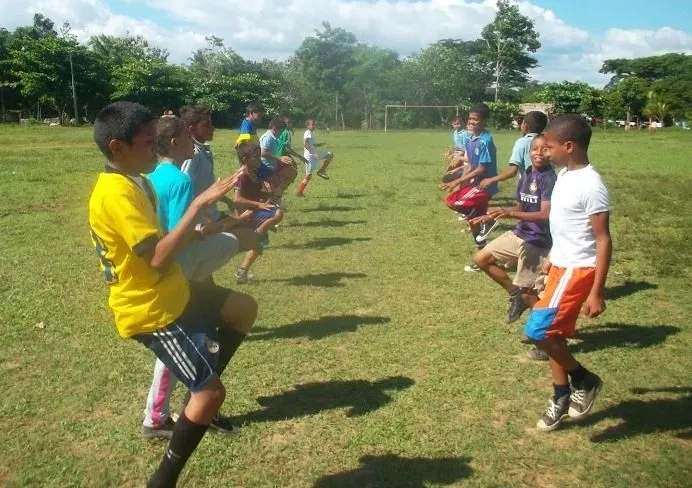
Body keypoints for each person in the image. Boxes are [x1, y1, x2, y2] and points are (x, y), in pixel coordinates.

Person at [88, 101, 257, 487]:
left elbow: (165, 241)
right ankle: (162, 481)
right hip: (150, 310)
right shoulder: (116, 193)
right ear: (118, 147)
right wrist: (200, 202)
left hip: (174, 291)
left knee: (243, 309)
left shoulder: (138, 181)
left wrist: (211, 229)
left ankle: (196, 398)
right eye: (148, 142)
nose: (156, 148)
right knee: (212, 394)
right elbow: (159, 260)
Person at [141, 116, 252, 440]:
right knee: (181, 344)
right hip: (180, 272)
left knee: (203, 335)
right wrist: (218, 229)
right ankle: (157, 416)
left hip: (170, 270)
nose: (195, 143)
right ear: (175, 142)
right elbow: (181, 234)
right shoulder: (179, 181)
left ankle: (195, 408)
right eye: (189, 137)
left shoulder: (152, 178)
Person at [523, 114, 611, 432]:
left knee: (538, 331)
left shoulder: (591, 185)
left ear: (569, 146)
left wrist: (597, 291)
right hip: (560, 264)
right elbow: (566, 227)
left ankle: (584, 380)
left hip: (578, 269)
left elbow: (603, 239)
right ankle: (561, 397)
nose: (545, 152)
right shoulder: (564, 174)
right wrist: (551, 256)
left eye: (550, 146)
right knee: (553, 336)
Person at [471, 135, 556, 325]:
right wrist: (491, 215)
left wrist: (509, 213)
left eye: (545, 149)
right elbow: (519, 207)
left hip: (537, 240)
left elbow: (544, 215)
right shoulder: (527, 173)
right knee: (481, 259)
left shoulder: (549, 178)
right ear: (529, 151)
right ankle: (515, 294)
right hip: (520, 232)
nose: (539, 153)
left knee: (530, 294)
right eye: (535, 149)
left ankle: (548, 336)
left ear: (552, 153)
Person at [440, 102, 499, 271]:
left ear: (484, 121)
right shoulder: (472, 139)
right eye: (471, 119)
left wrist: (457, 181)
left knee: (453, 201)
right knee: (474, 222)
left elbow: (482, 168)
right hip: (476, 183)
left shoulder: (484, 140)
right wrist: (459, 170)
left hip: (484, 186)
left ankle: (490, 221)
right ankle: (483, 260)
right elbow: (471, 164)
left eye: (476, 120)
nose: (472, 122)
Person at [233, 142, 283, 284]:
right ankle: (258, 232)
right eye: (255, 157)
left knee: (259, 246)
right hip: (246, 214)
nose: (259, 160)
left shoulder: (255, 173)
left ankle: (242, 273)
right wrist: (260, 204)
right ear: (245, 160)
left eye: (259, 156)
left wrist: (267, 195)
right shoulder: (242, 175)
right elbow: (237, 200)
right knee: (277, 214)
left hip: (255, 211)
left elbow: (254, 193)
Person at [258, 117, 298, 201]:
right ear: (275, 128)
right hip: (266, 168)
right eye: (281, 131)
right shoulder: (268, 137)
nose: (281, 134)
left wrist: (282, 160)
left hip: (272, 165)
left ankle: (276, 195)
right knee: (276, 184)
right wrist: (279, 158)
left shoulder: (273, 137)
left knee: (292, 171)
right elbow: (263, 153)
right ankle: (274, 198)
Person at [296, 119, 334, 196]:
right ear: (307, 126)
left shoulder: (311, 133)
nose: (314, 126)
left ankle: (321, 171)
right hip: (309, 157)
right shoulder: (307, 132)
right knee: (308, 175)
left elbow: (312, 144)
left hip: (315, 154)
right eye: (312, 124)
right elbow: (305, 144)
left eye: (314, 124)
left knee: (330, 155)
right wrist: (314, 153)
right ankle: (299, 192)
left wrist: (319, 145)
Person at [441, 116, 471, 183]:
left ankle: (448, 177)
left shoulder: (465, 133)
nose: (457, 126)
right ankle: (449, 177)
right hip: (458, 151)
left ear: (462, 123)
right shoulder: (455, 133)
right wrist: (452, 150)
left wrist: (458, 150)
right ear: (452, 124)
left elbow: (467, 147)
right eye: (455, 124)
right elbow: (456, 144)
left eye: (458, 124)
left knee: (454, 163)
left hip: (464, 152)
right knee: (449, 157)